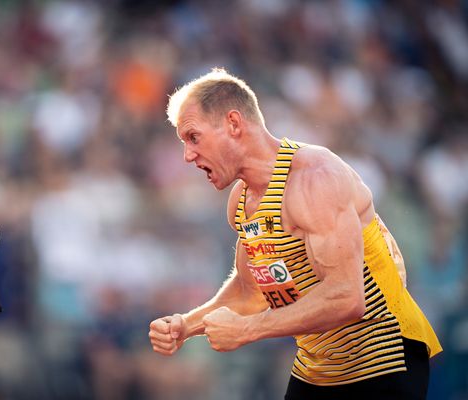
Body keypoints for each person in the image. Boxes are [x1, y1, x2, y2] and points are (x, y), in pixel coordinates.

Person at [148, 68, 442, 399]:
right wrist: (187, 326)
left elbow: (347, 297)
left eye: (193, 137)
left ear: (233, 124)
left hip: (384, 356)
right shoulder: (241, 201)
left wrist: (247, 330)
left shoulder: (314, 178)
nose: (188, 155)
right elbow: (249, 293)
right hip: (318, 367)